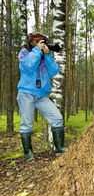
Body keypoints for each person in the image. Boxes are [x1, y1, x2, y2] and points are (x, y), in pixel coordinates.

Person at [17, 32, 65, 160]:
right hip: (26, 93)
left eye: (43, 41)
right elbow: (28, 66)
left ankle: (60, 149)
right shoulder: (25, 53)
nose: (41, 43)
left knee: (57, 118)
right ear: (32, 43)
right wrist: (38, 51)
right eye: (38, 41)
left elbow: (54, 71)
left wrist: (48, 55)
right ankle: (28, 154)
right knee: (27, 124)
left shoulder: (44, 57)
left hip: (41, 95)